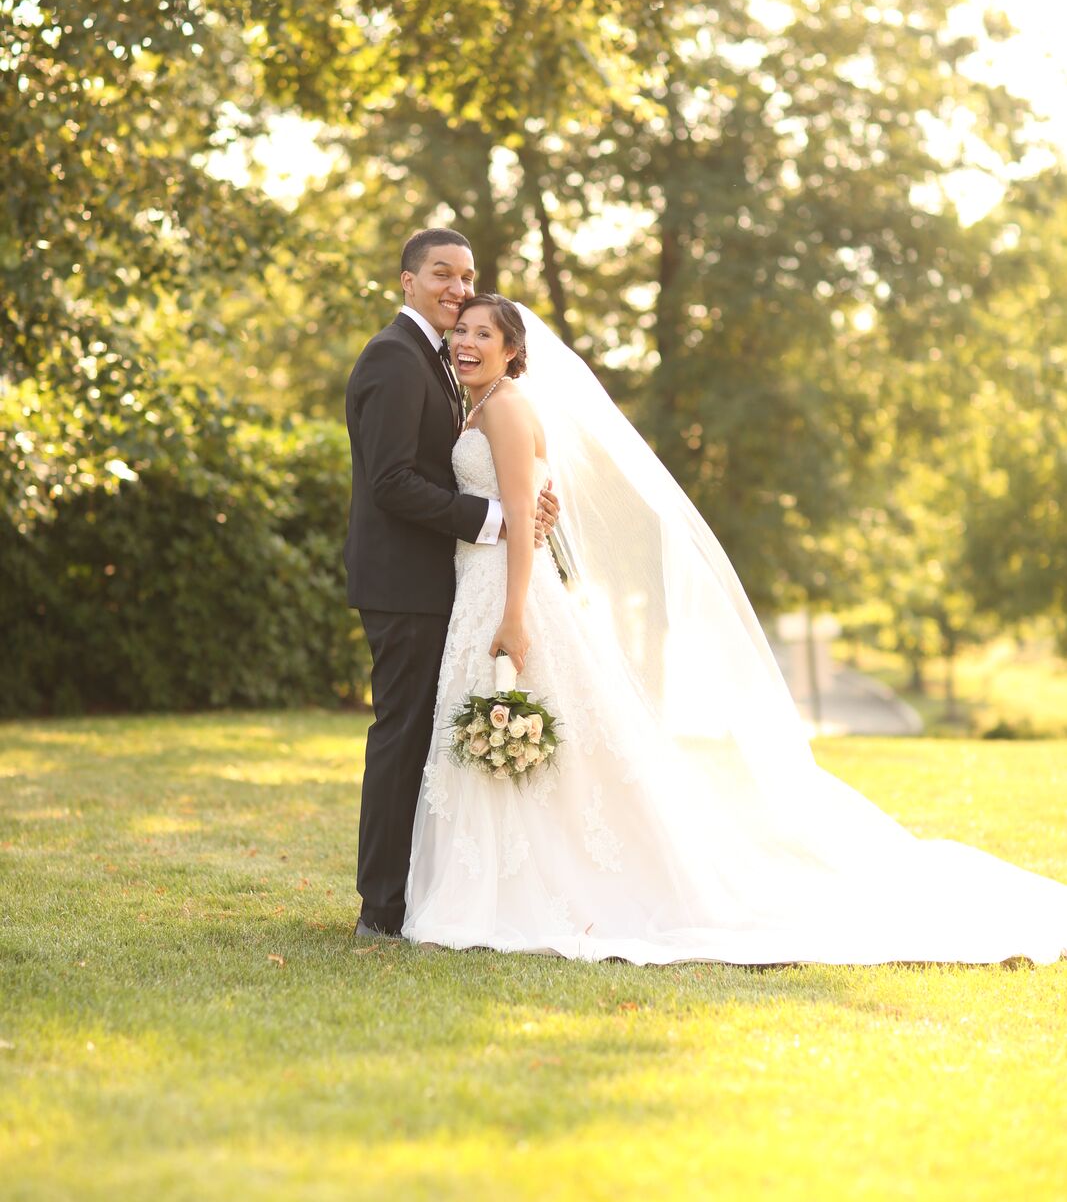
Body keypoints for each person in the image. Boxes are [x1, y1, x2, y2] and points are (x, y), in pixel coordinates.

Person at [403, 294, 1067, 965]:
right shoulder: (481, 406)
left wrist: (515, 614)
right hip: (478, 587)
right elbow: (528, 503)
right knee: (518, 738)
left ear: (512, 349)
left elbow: (521, 514)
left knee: (525, 730)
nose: (466, 341)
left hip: (508, 595)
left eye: (483, 333)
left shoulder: (510, 406)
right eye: (460, 330)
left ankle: (520, 894)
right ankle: (492, 888)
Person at [344, 231, 558, 938]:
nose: (456, 287)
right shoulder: (394, 357)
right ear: (407, 280)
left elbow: (469, 468)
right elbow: (392, 482)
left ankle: (413, 895)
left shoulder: (443, 363)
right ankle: (381, 908)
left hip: (450, 582)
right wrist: (497, 516)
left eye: (466, 276)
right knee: (401, 738)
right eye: (442, 273)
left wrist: (527, 503)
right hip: (404, 584)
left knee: (422, 740)